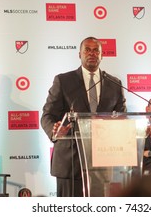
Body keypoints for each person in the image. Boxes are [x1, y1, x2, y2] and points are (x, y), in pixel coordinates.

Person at [41, 36, 126, 197]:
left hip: (102, 162)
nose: (91, 53)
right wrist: (55, 132)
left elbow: (122, 119)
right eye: (87, 49)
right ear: (79, 54)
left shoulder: (114, 84)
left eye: (96, 50)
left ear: (102, 56)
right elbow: (47, 115)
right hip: (69, 162)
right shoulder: (63, 81)